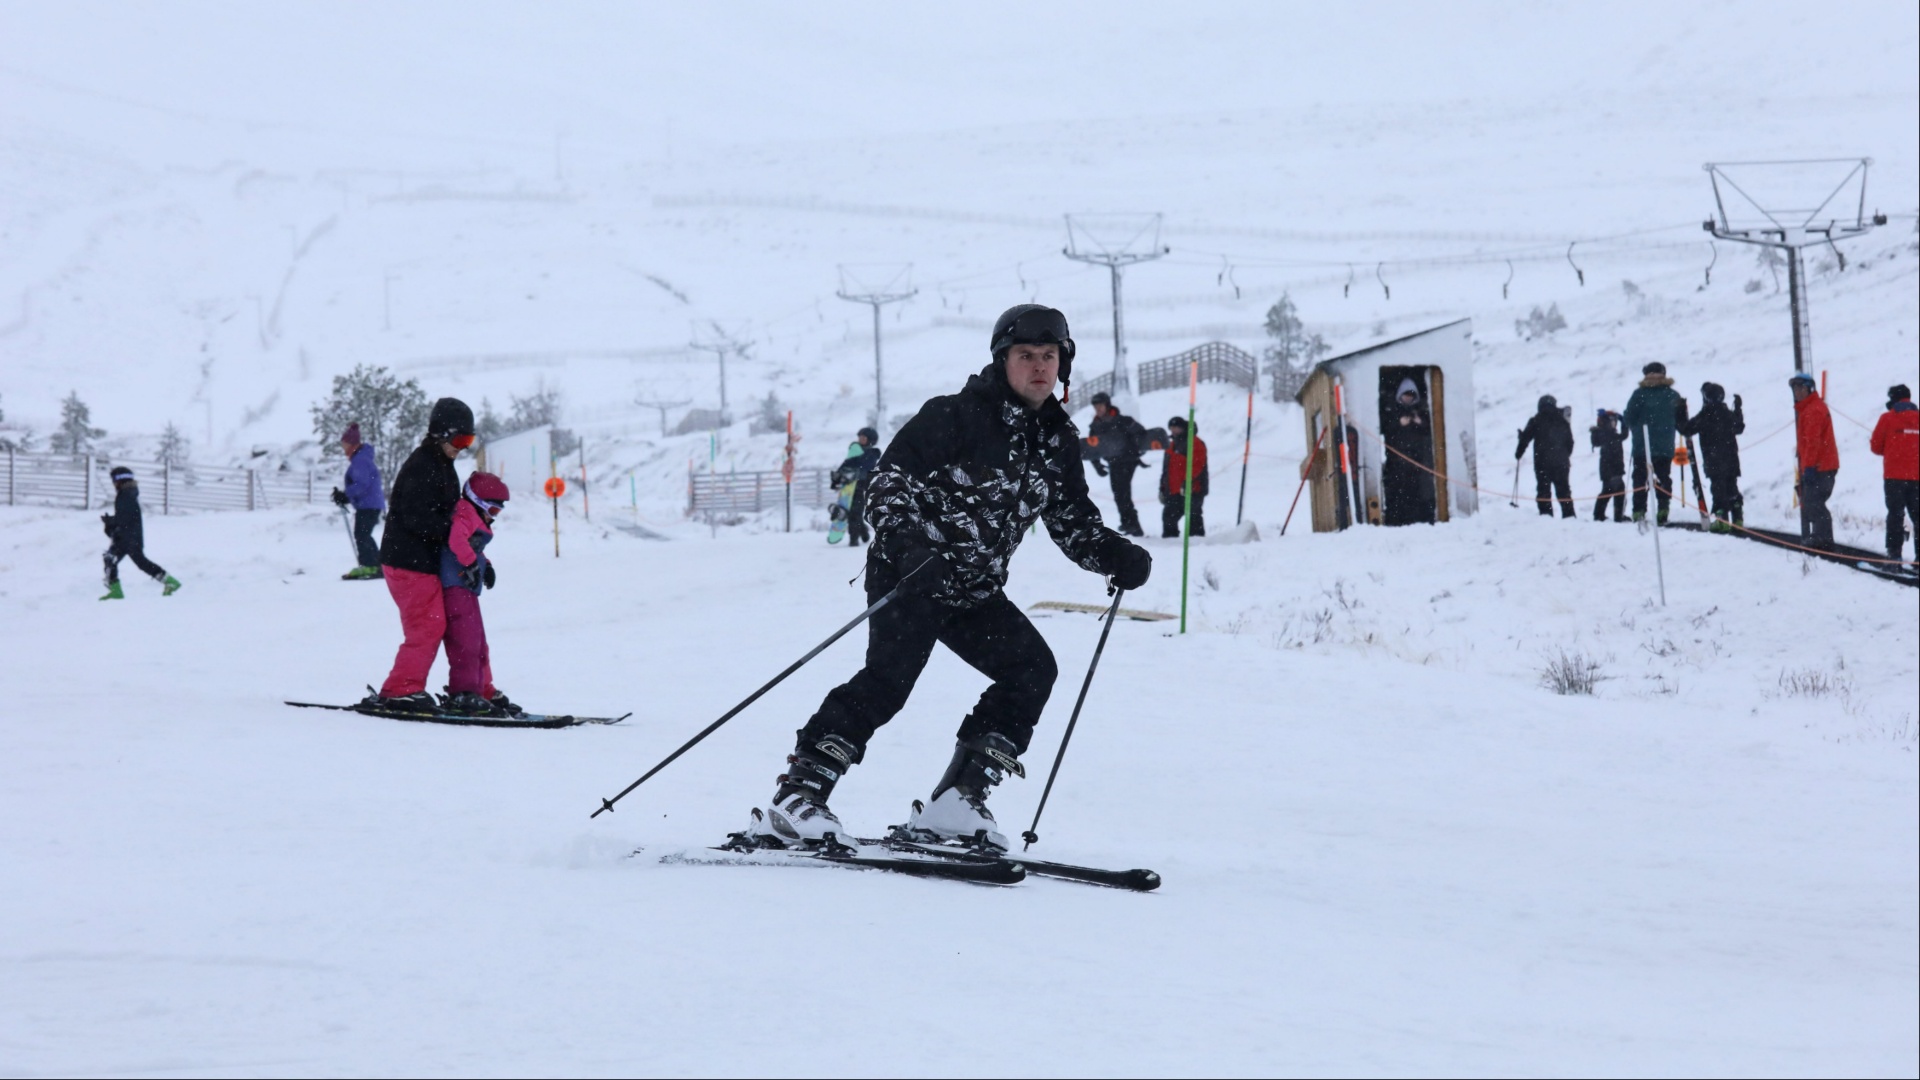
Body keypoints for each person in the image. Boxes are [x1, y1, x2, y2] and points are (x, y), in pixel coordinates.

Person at [749, 304, 1152, 851]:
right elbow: (887, 484)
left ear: (1064, 364)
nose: (1038, 367)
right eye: (1026, 356)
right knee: (888, 682)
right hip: (911, 575)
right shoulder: (954, 416)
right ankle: (797, 798)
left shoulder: (1057, 442)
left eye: (1049, 357)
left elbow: (1072, 521)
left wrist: (1114, 554)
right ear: (1002, 361)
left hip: (974, 589)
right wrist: (911, 550)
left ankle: (955, 804)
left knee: (1031, 670)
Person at [367, 397, 476, 713]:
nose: (463, 448)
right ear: (442, 434)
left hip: (420, 561)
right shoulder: (423, 466)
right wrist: (452, 531)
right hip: (408, 562)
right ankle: (400, 689)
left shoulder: (440, 464)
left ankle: (412, 686)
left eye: (469, 441)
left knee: (434, 625)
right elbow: (417, 517)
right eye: (460, 440)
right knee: (426, 627)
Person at [439, 472, 516, 716]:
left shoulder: (472, 514)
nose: (493, 518)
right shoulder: (464, 512)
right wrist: (472, 564)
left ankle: (482, 689)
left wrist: (487, 565)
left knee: (480, 643)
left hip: (466, 588)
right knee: (466, 642)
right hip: (455, 587)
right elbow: (457, 541)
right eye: (493, 511)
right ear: (478, 501)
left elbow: (473, 546)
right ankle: (464, 693)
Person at [99, 465, 182, 600]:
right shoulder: (129, 493)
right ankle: (170, 582)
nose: (113, 483)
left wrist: (110, 522)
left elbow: (124, 518)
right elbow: (126, 516)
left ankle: (116, 591)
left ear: (119, 480)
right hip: (131, 536)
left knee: (111, 559)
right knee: (140, 562)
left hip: (126, 536)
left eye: (114, 480)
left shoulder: (125, 495)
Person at [1677, 383, 1745, 532]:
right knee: (1732, 487)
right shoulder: (1727, 413)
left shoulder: (1705, 415)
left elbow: (1686, 429)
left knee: (1718, 488)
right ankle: (1738, 517)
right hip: (1731, 459)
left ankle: (1722, 520)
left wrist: (1680, 412)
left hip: (1713, 460)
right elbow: (1739, 427)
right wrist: (1738, 409)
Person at [1622, 361, 1685, 523]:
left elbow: (1629, 418)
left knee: (1640, 479)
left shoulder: (1639, 394)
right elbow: (1681, 421)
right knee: (1664, 478)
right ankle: (1663, 508)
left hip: (1642, 446)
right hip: (1665, 446)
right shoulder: (1673, 395)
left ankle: (1639, 511)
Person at [1086, 391, 1148, 536]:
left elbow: (1141, 434)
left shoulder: (1123, 421)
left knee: (1122, 493)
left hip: (1127, 461)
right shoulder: (1095, 426)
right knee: (1119, 494)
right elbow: (1092, 447)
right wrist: (1097, 466)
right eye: (1095, 406)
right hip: (1113, 462)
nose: (1098, 409)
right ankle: (1129, 524)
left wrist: (1136, 451)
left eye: (1100, 405)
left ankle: (1133, 525)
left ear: (1107, 405)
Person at [1868, 383, 1917, 566]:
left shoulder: (1887, 419)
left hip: (1894, 477)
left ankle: (1894, 554)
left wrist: (1893, 449)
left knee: (1895, 515)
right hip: (1917, 478)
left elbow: (1875, 447)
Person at [1789, 371, 1839, 547]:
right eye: (1795, 388)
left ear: (1809, 389)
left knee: (1813, 502)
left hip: (1820, 467)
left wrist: (1808, 466)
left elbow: (1812, 442)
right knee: (1812, 502)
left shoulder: (1812, 410)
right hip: (1821, 465)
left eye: (1800, 388)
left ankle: (1822, 539)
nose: (1797, 392)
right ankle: (1821, 538)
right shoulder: (1810, 408)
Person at [330, 423, 386, 580]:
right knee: (363, 534)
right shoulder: (361, 458)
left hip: (369, 505)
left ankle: (370, 565)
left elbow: (362, 483)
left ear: (353, 445)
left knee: (362, 534)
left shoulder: (360, 460)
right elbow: (361, 484)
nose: (344, 449)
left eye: (345, 445)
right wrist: (345, 495)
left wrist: (346, 495)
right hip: (369, 504)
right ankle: (377, 565)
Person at [1380, 378, 1436, 526]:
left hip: (1416, 460)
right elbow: (1384, 430)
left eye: (1411, 395)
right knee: (1397, 492)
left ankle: (1416, 520)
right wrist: (1398, 423)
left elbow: (1430, 432)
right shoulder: (1391, 410)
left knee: (1416, 491)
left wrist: (1420, 422)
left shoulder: (1420, 411)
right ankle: (1397, 521)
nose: (1408, 398)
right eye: (1406, 394)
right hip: (1396, 461)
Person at [1515, 394, 1576, 518]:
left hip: (1542, 462)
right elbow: (1570, 442)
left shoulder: (1536, 420)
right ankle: (1569, 517)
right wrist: (1564, 456)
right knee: (1564, 491)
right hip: (1561, 463)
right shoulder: (1563, 420)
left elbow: (1525, 439)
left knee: (1544, 492)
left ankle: (1546, 517)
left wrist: (1518, 453)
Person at [833, 427, 883, 548]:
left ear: (870, 440)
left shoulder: (872, 453)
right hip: (849, 487)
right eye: (859, 437)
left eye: (863, 438)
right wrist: (836, 478)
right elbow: (845, 466)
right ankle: (863, 532)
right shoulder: (855, 452)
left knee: (855, 512)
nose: (860, 440)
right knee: (851, 512)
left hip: (862, 487)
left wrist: (853, 460)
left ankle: (854, 539)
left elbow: (863, 464)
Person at [1161, 415, 1209, 537]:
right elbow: (1166, 469)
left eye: (1176, 428)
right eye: (1171, 428)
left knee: (1193, 515)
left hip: (1193, 488)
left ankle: (1197, 542)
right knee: (1169, 516)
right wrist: (1163, 488)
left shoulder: (1195, 442)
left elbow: (1197, 465)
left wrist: (1188, 482)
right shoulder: (1171, 445)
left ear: (1182, 428)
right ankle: (1170, 541)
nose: (1173, 431)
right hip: (1173, 489)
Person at [1589, 409, 1628, 522]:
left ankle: (1600, 514)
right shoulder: (1607, 435)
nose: (1614, 424)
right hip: (1612, 470)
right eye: (1613, 421)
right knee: (1615, 492)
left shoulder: (1608, 434)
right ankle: (1615, 516)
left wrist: (1623, 423)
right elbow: (1624, 436)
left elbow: (1623, 436)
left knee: (1608, 492)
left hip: (1610, 470)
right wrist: (1624, 423)